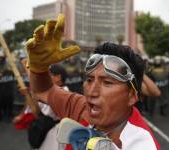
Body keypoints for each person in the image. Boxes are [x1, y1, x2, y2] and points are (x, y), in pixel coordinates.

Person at [25, 14, 161, 150]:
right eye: (89, 79)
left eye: (107, 82)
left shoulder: (142, 145)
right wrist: (39, 69)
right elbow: (44, 90)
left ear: (131, 96)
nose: (91, 91)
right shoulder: (83, 108)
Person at [14, 62, 69, 150]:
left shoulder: (64, 91)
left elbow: (39, 110)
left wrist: (31, 91)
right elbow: (37, 111)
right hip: (45, 130)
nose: (44, 78)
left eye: (49, 75)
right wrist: (28, 95)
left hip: (55, 133)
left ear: (58, 78)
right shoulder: (48, 91)